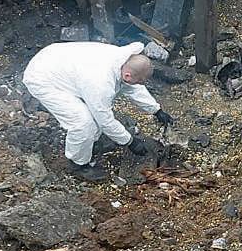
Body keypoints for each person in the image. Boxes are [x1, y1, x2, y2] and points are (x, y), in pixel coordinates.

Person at [22, 41, 174, 181]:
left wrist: (156, 110)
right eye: (140, 80)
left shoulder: (123, 60)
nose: (142, 84)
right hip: (43, 77)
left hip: (59, 62)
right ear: (127, 75)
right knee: (83, 123)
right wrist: (130, 141)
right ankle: (78, 164)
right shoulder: (101, 83)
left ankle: (88, 145)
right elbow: (105, 119)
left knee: (92, 118)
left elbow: (134, 87)